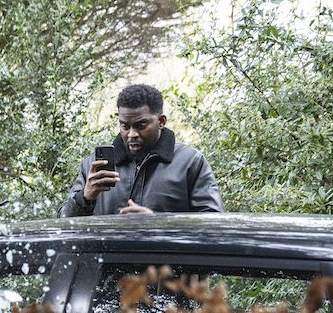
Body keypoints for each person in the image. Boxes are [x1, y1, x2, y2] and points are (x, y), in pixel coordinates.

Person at [60, 84, 223, 217]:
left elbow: (214, 222)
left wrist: (157, 224)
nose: (131, 134)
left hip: (166, 258)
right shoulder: (93, 164)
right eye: (124, 126)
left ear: (161, 121)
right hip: (107, 258)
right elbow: (63, 222)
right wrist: (85, 197)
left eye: (141, 125)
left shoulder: (190, 162)